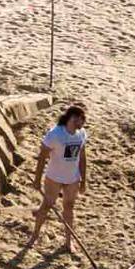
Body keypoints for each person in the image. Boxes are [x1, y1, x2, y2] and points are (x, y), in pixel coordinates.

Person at [28, 103, 88, 250]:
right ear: (73, 118)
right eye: (81, 119)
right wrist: (36, 180)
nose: (83, 123)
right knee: (47, 205)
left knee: (69, 207)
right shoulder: (55, 134)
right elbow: (42, 157)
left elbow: (82, 156)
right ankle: (34, 235)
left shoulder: (81, 134)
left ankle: (68, 242)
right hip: (54, 177)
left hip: (72, 178)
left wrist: (83, 180)